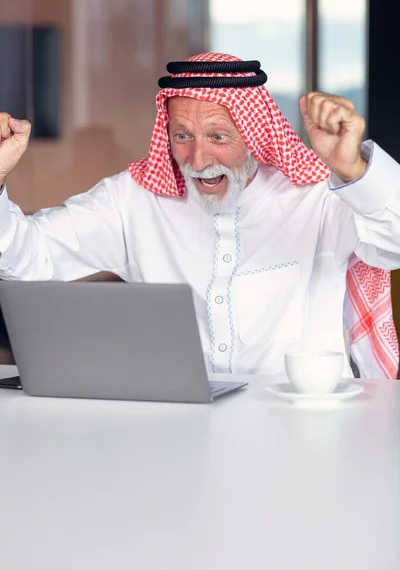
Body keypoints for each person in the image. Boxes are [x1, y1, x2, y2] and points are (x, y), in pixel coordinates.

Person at [1, 53, 399, 379]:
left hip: (306, 433)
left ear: (255, 133)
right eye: (182, 136)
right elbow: (28, 261)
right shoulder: (133, 200)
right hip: (178, 434)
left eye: (218, 136)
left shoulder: (319, 195)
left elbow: (393, 244)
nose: (198, 159)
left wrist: (353, 170)